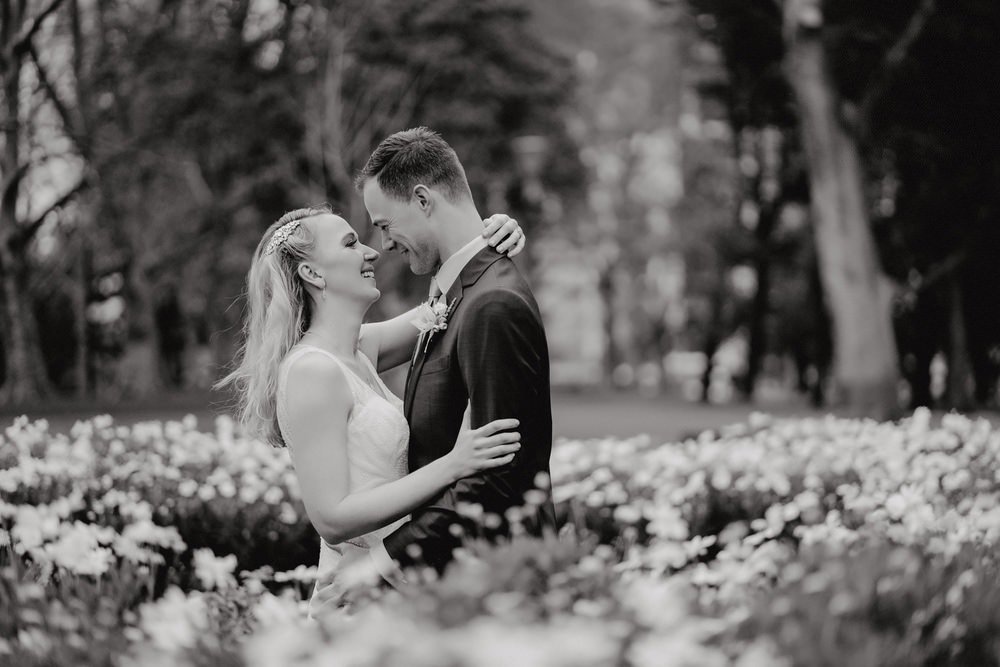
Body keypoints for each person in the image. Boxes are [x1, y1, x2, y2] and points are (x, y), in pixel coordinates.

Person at [218, 203, 528, 618]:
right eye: (350, 243)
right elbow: (331, 517)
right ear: (312, 273)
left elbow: (449, 303)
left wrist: (490, 236)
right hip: (354, 598)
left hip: (398, 582)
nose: (372, 251)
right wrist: (454, 465)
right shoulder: (313, 370)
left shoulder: (359, 349)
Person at [356, 127, 556, 587]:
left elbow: (500, 479)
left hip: (493, 582)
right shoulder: (455, 296)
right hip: (457, 577)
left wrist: (385, 565)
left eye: (385, 225)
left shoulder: (491, 304)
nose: (383, 244)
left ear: (424, 200)